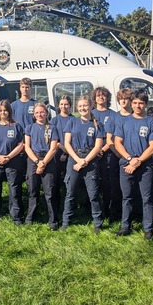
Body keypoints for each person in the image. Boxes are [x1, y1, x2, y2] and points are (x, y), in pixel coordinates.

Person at [114, 91, 153, 240]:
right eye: (135, 102)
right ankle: (125, 226)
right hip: (126, 163)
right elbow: (117, 142)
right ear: (131, 103)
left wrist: (138, 161)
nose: (137, 106)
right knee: (127, 197)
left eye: (141, 103)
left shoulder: (152, 122)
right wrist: (130, 158)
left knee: (147, 198)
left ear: (146, 105)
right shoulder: (123, 121)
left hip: (145, 165)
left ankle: (148, 230)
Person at [62, 96, 104, 234]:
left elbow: (98, 146)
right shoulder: (72, 122)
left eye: (85, 105)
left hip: (90, 160)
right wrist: (78, 160)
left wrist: (85, 161)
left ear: (91, 106)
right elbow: (67, 143)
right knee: (70, 192)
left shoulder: (97, 124)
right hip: (74, 158)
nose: (82, 108)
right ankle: (66, 222)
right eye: (80, 106)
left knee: (93, 194)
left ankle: (98, 224)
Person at [0, 100, 25, 224]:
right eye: (0, 111)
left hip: (12, 161)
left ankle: (16, 216)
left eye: (5, 110)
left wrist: (8, 157)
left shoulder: (16, 126)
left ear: (9, 112)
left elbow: (21, 144)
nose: (3, 113)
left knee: (14, 188)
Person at [25, 103, 59, 230]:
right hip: (33, 159)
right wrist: (36, 161)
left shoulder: (52, 128)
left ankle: (53, 221)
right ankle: (31, 218)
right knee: (32, 190)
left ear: (46, 113)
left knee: (49, 192)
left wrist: (43, 163)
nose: (40, 115)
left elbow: (53, 148)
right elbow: (27, 147)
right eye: (37, 113)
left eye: (42, 112)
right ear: (34, 115)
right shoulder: (29, 128)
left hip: (48, 159)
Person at [103, 88, 134, 222]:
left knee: (134, 189)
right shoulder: (113, 117)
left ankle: (135, 215)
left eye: (126, 98)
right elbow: (109, 140)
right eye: (121, 98)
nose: (123, 100)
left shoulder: (136, 116)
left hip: (135, 157)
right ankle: (114, 216)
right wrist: (120, 155)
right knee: (116, 188)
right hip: (117, 157)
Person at [91, 87, 117, 222]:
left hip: (108, 154)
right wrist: (95, 151)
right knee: (93, 184)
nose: (101, 98)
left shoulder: (113, 115)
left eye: (103, 96)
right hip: (92, 154)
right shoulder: (90, 114)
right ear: (94, 98)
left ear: (107, 98)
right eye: (98, 95)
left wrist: (102, 149)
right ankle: (94, 212)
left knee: (109, 185)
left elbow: (112, 137)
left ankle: (109, 213)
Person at [11, 78, 37, 186]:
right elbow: (10, 124)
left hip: (32, 143)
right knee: (17, 173)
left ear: (31, 88)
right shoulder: (13, 105)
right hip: (18, 144)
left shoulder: (36, 104)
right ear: (20, 88)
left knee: (31, 173)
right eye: (23, 87)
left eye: (27, 87)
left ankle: (32, 193)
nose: (25, 89)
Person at [50, 95, 73, 214]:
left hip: (72, 155)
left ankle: (69, 208)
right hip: (57, 155)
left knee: (68, 183)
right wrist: (62, 148)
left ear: (70, 105)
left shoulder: (74, 119)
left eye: (66, 104)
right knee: (57, 182)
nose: (64, 106)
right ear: (58, 106)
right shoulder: (54, 120)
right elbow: (53, 139)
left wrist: (68, 152)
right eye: (61, 104)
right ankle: (57, 208)